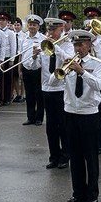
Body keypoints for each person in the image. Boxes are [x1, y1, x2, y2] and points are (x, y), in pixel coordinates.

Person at [61, 29, 101, 202]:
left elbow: (99, 85)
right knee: (75, 155)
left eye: (80, 44)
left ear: (89, 45)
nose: (77, 48)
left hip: (89, 114)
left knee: (91, 156)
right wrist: (62, 70)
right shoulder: (68, 63)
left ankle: (92, 194)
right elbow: (52, 81)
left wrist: (82, 72)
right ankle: (77, 192)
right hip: (71, 112)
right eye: (75, 45)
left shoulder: (97, 64)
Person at [32, 17, 74, 169]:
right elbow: (34, 66)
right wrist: (34, 56)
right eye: (48, 30)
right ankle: (53, 156)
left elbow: (68, 59)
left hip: (61, 89)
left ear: (61, 30)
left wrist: (55, 47)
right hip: (46, 89)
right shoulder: (44, 46)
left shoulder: (68, 45)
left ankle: (65, 156)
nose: (49, 33)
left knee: (63, 125)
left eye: (53, 30)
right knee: (50, 126)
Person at [21, 15, 44, 125]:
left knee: (39, 94)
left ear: (38, 27)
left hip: (38, 69)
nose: (31, 27)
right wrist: (20, 69)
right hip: (26, 68)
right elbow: (21, 54)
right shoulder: (23, 38)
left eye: (34, 25)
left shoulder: (42, 39)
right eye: (30, 24)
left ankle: (39, 118)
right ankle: (30, 117)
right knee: (29, 94)